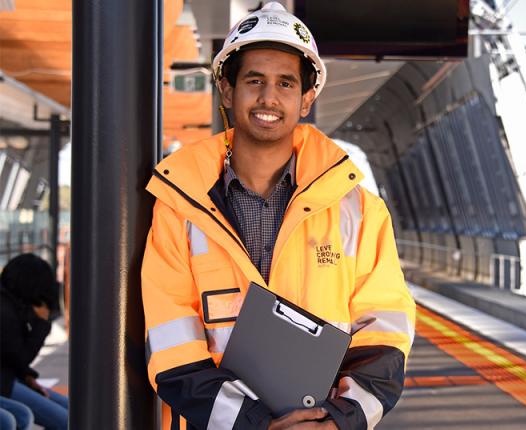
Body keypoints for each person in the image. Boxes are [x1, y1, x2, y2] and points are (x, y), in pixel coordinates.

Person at [141, 3, 416, 429]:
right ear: (227, 92)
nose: (269, 98)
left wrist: (336, 420)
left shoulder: (360, 212)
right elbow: (171, 345)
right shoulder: (179, 208)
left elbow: (385, 334)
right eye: (254, 80)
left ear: (306, 99)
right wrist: (255, 425)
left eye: (285, 83)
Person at [0, 254, 68, 430]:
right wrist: (42, 324)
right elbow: (20, 357)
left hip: (10, 377)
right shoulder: (6, 312)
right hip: (5, 382)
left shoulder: (11, 305)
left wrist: (27, 376)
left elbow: (11, 358)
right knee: (64, 419)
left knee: (69, 410)